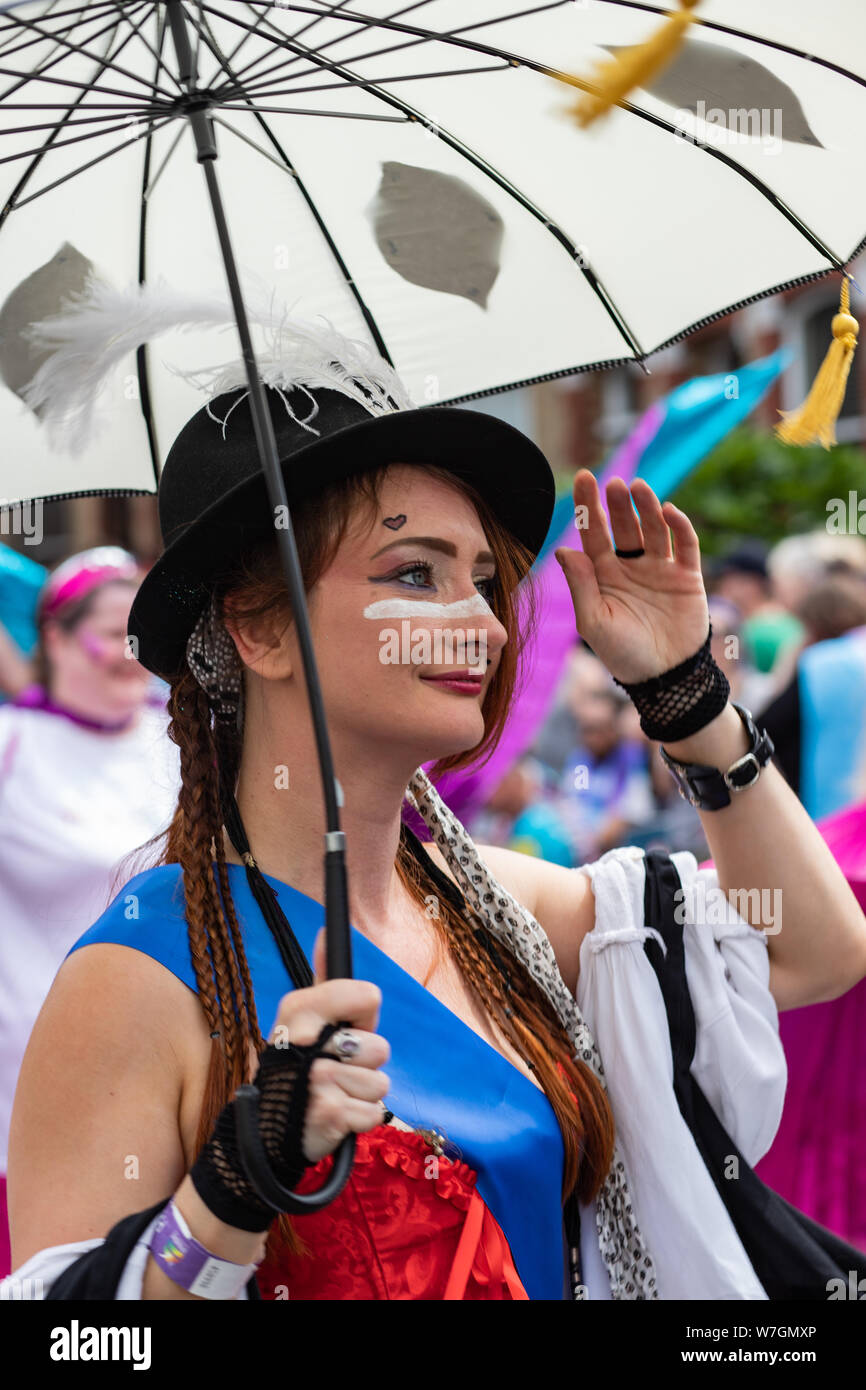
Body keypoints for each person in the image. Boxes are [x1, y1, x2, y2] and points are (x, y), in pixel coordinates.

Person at [5, 353, 866, 1302]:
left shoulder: (499, 909)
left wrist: (685, 696)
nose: (485, 626)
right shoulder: (137, 979)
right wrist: (227, 1193)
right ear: (260, 630)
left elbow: (814, 951)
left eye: (487, 580)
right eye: (415, 573)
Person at [0, 547, 180, 1278]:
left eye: (141, 635)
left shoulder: (182, 742)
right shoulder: (14, 744)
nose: (129, 656)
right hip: (25, 1082)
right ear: (57, 638)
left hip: (168, 1069)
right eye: (111, 632)